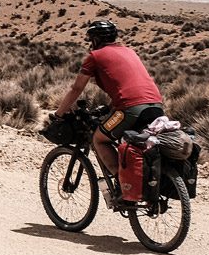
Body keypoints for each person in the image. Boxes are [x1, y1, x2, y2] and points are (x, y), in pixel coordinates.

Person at [55, 19, 164, 210]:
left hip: (130, 108)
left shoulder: (94, 56)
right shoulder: (130, 51)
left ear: (95, 39)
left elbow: (76, 88)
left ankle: (123, 185)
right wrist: (111, 108)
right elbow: (127, 84)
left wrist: (59, 113)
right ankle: (141, 183)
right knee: (132, 141)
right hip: (155, 105)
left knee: (99, 139)